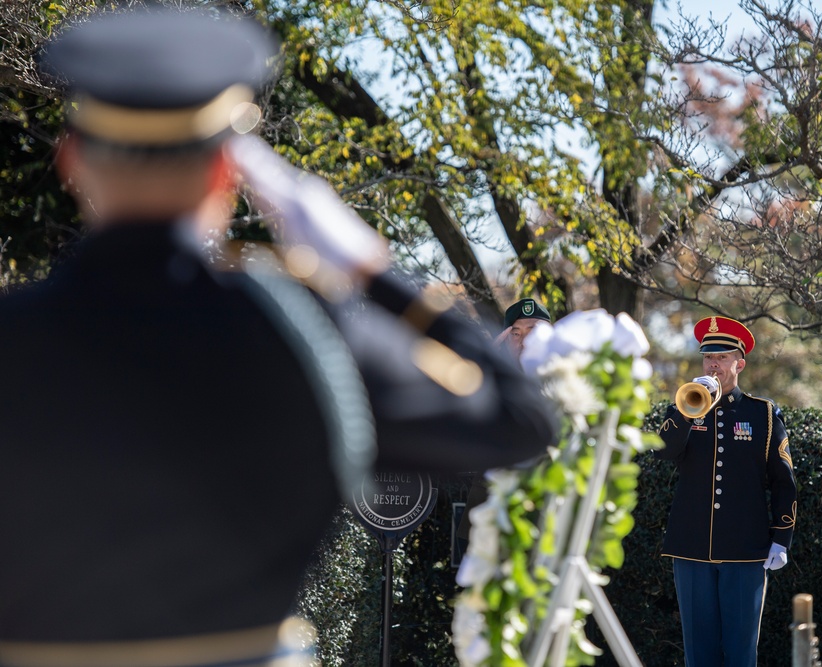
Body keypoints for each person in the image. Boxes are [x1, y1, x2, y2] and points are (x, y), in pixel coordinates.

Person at [0, 6, 554, 664]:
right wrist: (373, 272)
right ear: (224, 175)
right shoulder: (306, 336)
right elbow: (521, 420)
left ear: (70, 162)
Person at [656, 316, 797, 667]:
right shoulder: (686, 407)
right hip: (691, 549)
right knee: (699, 654)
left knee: (740, 653)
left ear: (740, 363)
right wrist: (687, 410)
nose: (713, 364)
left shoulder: (762, 413)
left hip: (745, 552)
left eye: (722, 357)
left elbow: (783, 481)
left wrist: (782, 536)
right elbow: (662, 449)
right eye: (707, 357)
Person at [456, 298, 552, 548]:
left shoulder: (566, 381)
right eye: (515, 333)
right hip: (490, 511)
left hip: (546, 514)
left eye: (533, 332)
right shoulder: (489, 379)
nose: (523, 342)